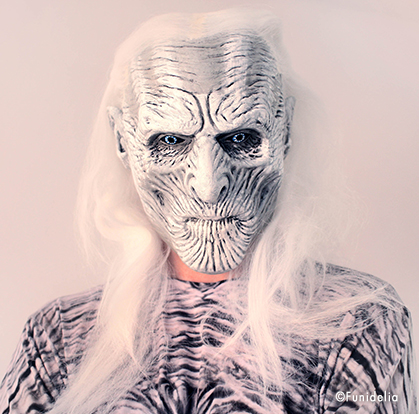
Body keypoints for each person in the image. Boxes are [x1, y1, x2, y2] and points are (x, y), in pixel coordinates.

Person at [0, 9, 416, 414]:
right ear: (124, 141)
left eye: (241, 137)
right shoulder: (58, 340)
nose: (209, 184)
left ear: (284, 130)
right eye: (169, 141)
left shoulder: (358, 324)